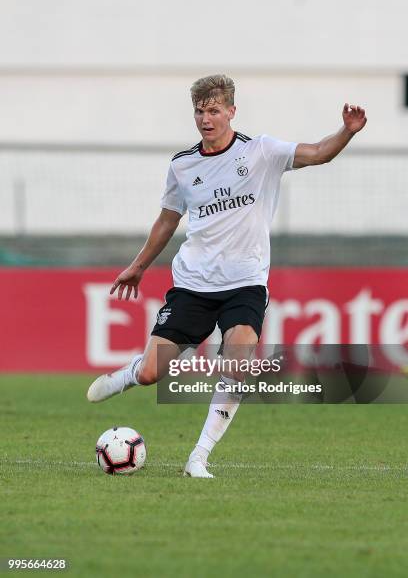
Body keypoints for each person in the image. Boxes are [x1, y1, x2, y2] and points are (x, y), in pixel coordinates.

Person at [87, 74, 367, 477]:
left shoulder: (262, 152)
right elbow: (168, 220)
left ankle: (198, 457)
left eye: (214, 110)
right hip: (193, 285)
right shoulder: (183, 165)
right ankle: (131, 373)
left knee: (237, 366)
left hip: (246, 284)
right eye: (200, 111)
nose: (206, 118)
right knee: (152, 374)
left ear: (231, 112)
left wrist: (347, 130)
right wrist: (138, 265)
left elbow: (320, 152)